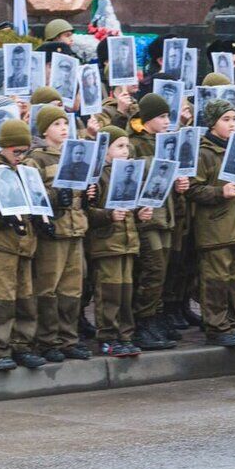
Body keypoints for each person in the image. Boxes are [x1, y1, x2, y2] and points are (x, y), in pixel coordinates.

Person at [188, 100, 235, 346]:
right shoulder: (204, 152)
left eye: (234, 119)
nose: (232, 124)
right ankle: (216, 327)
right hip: (214, 229)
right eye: (226, 119)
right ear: (212, 123)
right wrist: (220, 192)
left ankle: (230, 322)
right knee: (216, 280)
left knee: (234, 278)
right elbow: (193, 189)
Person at [0, 120, 43, 371]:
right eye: (16, 152)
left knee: (25, 298)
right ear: (4, 148)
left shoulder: (26, 170)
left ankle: (22, 345)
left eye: (25, 151)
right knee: (1, 299)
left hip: (25, 242)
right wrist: (2, 216)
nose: (21, 157)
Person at [25, 105, 93, 362]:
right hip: (54, 232)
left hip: (75, 229)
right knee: (48, 289)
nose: (63, 128)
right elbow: (35, 195)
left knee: (72, 289)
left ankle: (68, 338)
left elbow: (79, 193)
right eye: (56, 124)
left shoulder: (75, 155)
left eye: (65, 123)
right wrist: (55, 197)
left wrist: (87, 196)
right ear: (44, 130)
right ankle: (47, 340)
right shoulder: (37, 159)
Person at [127, 93, 187, 349]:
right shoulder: (133, 142)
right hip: (148, 217)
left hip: (167, 215)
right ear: (148, 118)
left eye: (167, 116)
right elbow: (130, 171)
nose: (166, 121)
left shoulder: (163, 141)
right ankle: (143, 322)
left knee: (163, 271)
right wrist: (162, 165)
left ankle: (155, 318)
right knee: (151, 271)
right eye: (161, 116)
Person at [87, 126, 147, 357]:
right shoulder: (98, 175)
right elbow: (89, 213)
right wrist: (108, 215)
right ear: (105, 150)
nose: (125, 151)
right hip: (107, 244)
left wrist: (140, 215)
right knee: (109, 293)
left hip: (127, 242)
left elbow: (131, 206)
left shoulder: (128, 172)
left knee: (125, 291)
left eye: (126, 146)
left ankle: (125, 335)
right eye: (119, 146)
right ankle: (107, 336)